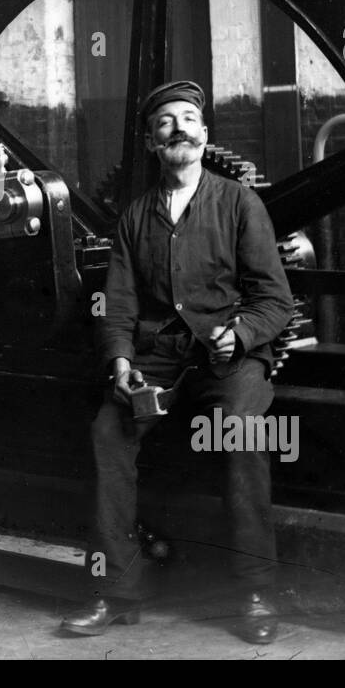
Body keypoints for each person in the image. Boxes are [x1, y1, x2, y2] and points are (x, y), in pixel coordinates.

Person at [59, 80, 294, 644]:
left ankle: (255, 591)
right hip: (158, 359)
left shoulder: (239, 202)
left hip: (230, 359)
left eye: (189, 119)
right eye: (166, 123)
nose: (179, 129)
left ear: (205, 135)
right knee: (108, 433)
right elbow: (117, 308)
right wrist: (120, 363)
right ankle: (118, 592)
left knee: (240, 431)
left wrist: (240, 336)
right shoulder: (134, 218)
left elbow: (276, 300)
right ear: (150, 142)